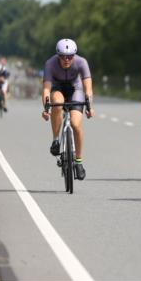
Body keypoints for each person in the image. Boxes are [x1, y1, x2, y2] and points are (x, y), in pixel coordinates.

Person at [41, 39, 95, 180]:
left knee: (76, 124)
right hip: (57, 88)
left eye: (70, 56)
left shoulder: (81, 62)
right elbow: (46, 89)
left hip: (75, 89)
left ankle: (78, 161)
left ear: (74, 55)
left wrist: (89, 106)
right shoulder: (50, 64)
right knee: (57, 103)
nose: (66, 59)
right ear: (58, 55)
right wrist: (46, 108)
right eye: (63, 56)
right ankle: (56, 140)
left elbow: (88, 88)